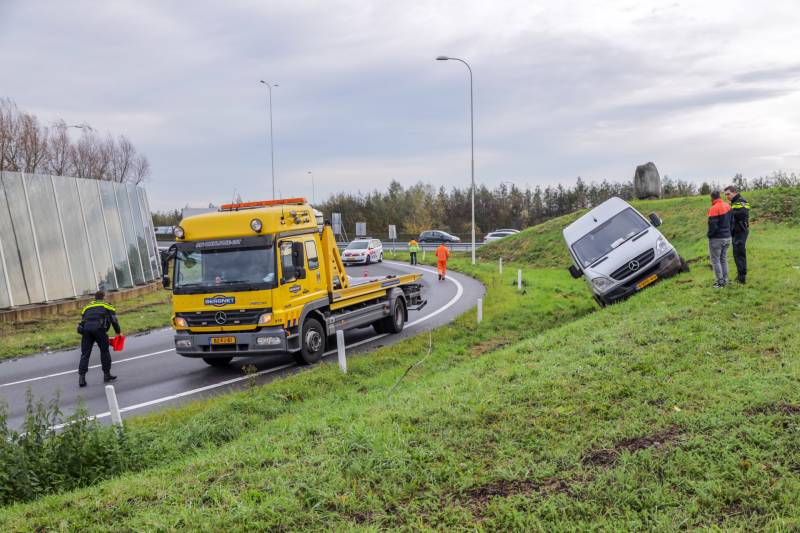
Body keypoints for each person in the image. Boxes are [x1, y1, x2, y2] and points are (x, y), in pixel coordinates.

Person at [78, 290, 121, 387]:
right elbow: (114, 320)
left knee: (85, 354)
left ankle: (81, 378)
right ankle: (107, 375)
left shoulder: (87, 306)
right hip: (99, 330)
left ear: (95, 298)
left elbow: (83, 319)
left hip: (86, 330)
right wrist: (118, 332)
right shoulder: (107, 305)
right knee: (104, 351)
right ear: (104, 297)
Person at [724, 185, 750, 284]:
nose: (727, 196)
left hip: (741, 230)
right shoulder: (734, 202)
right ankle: (740, 275)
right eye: (725, 195)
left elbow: (742, 214)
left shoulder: (741, 201)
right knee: (736, 253)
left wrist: (729, 211)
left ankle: (742, 278)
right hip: (735, 231)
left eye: (728, 194)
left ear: (734, 192)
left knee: (739, 253)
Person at [707, 191, 732, 289]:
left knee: (716, 260)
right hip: (727, 237)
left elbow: (713, 225)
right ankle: (725, 280)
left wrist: (710, 235)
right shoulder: (728, 206)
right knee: (723, 259)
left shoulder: (713, 208)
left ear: (712, 198)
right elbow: (732, 221)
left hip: (717, 239)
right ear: (720, 196)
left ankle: (720, 282)